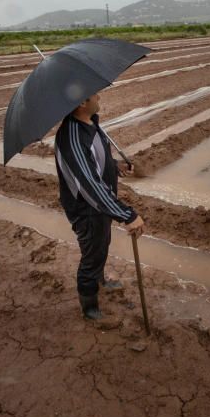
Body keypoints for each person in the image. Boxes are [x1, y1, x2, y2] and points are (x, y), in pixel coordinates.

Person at [54, 91, 144, 322]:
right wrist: (127, 214)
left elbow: (97, 159)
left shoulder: (90, 124)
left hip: (100, 206)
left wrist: (116, 167)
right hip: (87, 209)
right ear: (83, 102)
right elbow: (90, 185)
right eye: (94, 93)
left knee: (101, 245)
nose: (99, 96)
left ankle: (100, 280)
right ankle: (89, 307)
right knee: (92, 256)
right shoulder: (72, 136)